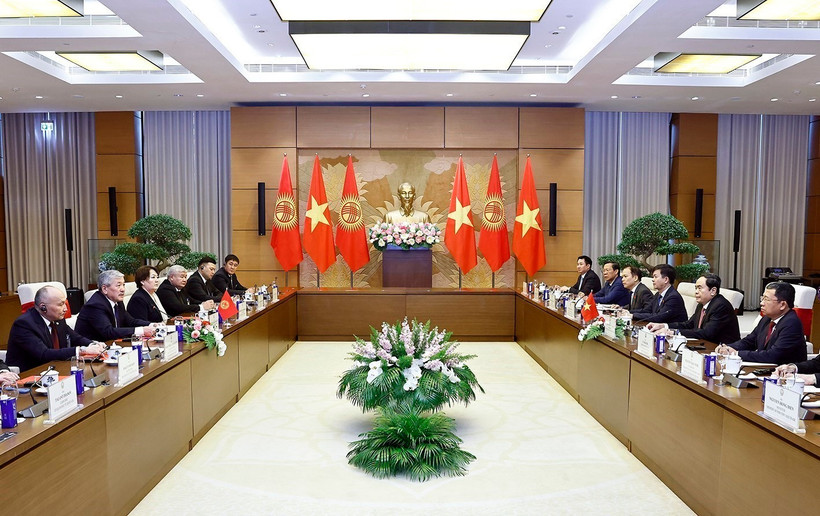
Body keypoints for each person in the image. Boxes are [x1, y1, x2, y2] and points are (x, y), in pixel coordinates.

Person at [5, 286, 106, 372]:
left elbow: (75, 337)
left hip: (56, 370)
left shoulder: (57, 319)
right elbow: (44, 354)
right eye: (60, 304)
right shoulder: (24, 324)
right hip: (30, 376)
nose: (65, 309)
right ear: (43, 307)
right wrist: (82, 350)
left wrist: (93, 344)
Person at [716, 282, 807, 365]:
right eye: (762, 298)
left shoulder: (792, 324)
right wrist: (727, 348)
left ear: (782, 305)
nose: (761, 303)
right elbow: (749, 341)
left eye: (766, 299)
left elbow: (773, 356)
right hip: (766, 369)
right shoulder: (767, 319)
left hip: (787, 376)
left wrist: (736, 353)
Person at [647, 273, 740, 344]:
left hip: (721, 350)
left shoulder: (721, 306)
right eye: (695, 288)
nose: (696, 292)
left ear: (713, 291)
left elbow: (706, 333)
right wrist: (664, 326)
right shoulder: (702, 304)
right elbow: (688, 324)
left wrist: (673, 332)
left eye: (699, 288)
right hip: (703, 345)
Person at [75, 270, 156, 342]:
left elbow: (130, 321)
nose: (123, 289)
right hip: (90, 351)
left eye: (123, 285)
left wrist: (151, 325)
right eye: (118, 285)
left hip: (112, 345)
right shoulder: (95, 305)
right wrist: (141, 330)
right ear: (105, 289)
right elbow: (108, 332)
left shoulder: (118, 302)